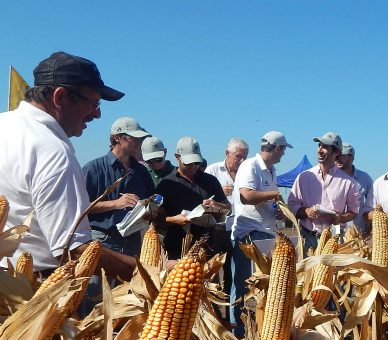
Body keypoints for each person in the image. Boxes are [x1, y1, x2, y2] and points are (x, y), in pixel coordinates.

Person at [0, 51, 134, 279]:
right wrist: (147, 272)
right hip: (35, 290)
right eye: (93, 103)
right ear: (60, 98)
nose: (98, 113)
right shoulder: (52, 150)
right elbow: (73, 250)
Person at [230, 131, 291, 337]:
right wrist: (273, 194)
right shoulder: (251, 166)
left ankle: (259, 329)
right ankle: (239, 332)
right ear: (277, 148)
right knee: (245, 286)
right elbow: (246, 196)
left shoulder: (271, 170)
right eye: (283, 150)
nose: (283, 155)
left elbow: (262, 201)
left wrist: (277, 211)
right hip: (250, 233)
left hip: (266, 233)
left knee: (266, 286)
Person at [82, 117, 154, 256]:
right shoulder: (93, 169)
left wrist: (150, 210)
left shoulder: (141, 171)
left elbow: (150, 200)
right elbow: (80, 208)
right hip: (101, 241)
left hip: (133, 241)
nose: (140, 142)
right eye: (135, 138)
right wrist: (116, 203)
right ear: (117, 138)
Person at [156, 137, 229, 259]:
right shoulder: (166, 184)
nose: (193, 167)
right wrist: (173, 220)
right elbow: (156, 219)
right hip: (176, 250)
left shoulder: (210, 181)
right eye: (189, 163)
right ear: (177, 157)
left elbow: (228, 207)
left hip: (206, 248)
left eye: (197, 163)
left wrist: (217, 206)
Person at [287, 132, 360, 254]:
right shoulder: (304, 177)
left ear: (336, 152)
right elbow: (292, 205)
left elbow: (354, 211)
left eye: (325, 147)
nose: (319, 150)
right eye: (319, 146)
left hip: (333, 240)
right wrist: (306, 212)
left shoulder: (349, 182)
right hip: (308, 237)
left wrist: (340, 218)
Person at [205, 138, 249, 297]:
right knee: (212, 270)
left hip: (238, 229)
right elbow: (203, 199)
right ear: (227, 153)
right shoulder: (212, 171)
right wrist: (220, 193)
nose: (242, 160)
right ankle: (214, 310)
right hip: (216, 228)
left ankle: (233, 308)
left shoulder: (247, 173)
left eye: (245, 156)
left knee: (235, 271)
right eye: (238, 156)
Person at [336, 142, 374, 235]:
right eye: (336, 155)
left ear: (351, 157)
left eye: (341, 155)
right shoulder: (331, 177)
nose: (337, 158)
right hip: (335, 233)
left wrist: (369, 229)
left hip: (359, 233)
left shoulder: (365, 178)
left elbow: (372, 204)